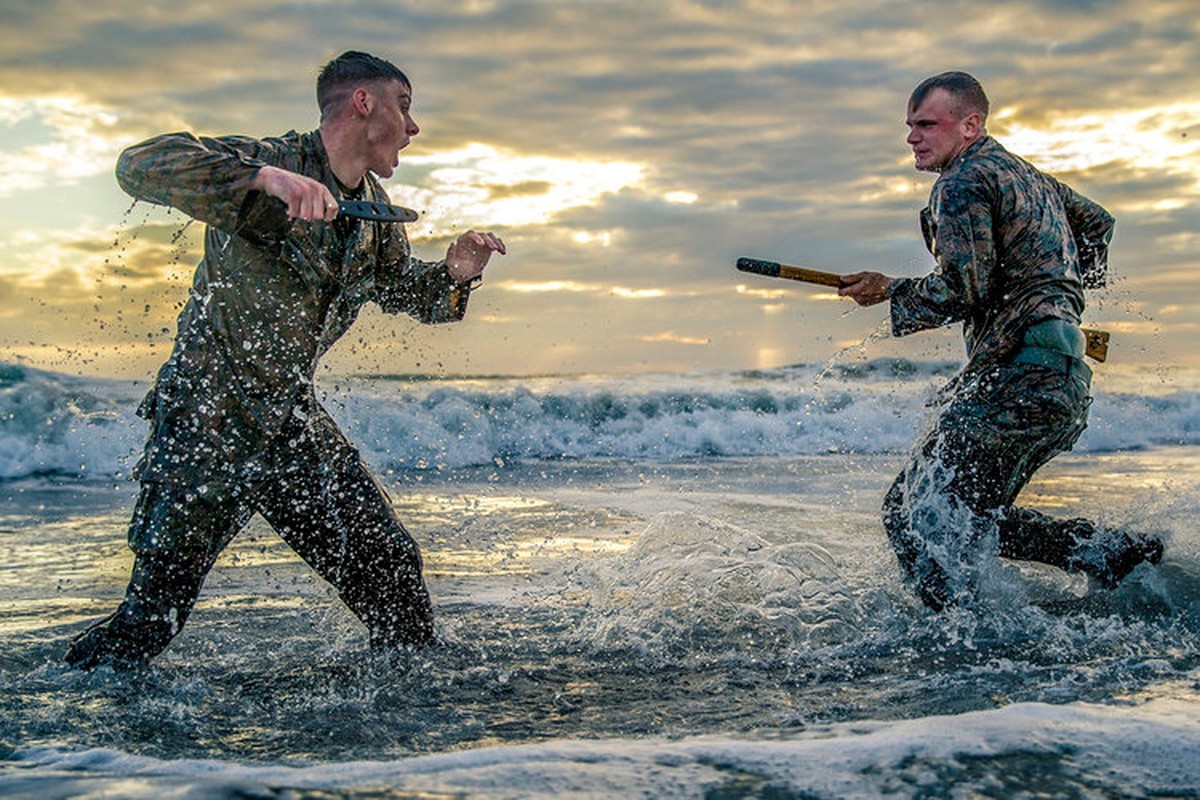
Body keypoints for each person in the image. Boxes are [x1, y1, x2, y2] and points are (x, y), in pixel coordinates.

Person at [65, 51, 506, 668]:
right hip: (208, 421)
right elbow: (139, 164)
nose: (413, 127)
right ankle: (53, 747)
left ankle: (393, 736)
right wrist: (263, 180)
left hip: (291, 425)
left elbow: (406, 291)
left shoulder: (375, 216)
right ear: (364, 103)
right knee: (148, 624)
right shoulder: (272, 162)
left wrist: (455, 275)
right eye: (404, 107)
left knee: (395, 580)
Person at [838, 71, 1162, 610]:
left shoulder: (961, 182)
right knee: (974, 515)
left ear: (970, 124)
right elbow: (1098, 225)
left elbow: (962, 287)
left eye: (926, 124)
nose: (913, 138)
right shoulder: (1030, 177)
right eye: (909, 127)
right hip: (1062, 378)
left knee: (912, 511)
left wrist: (889, 290)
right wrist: (1060, 294)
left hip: (1019, 377)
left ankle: (954, 639)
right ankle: (1112, 554)